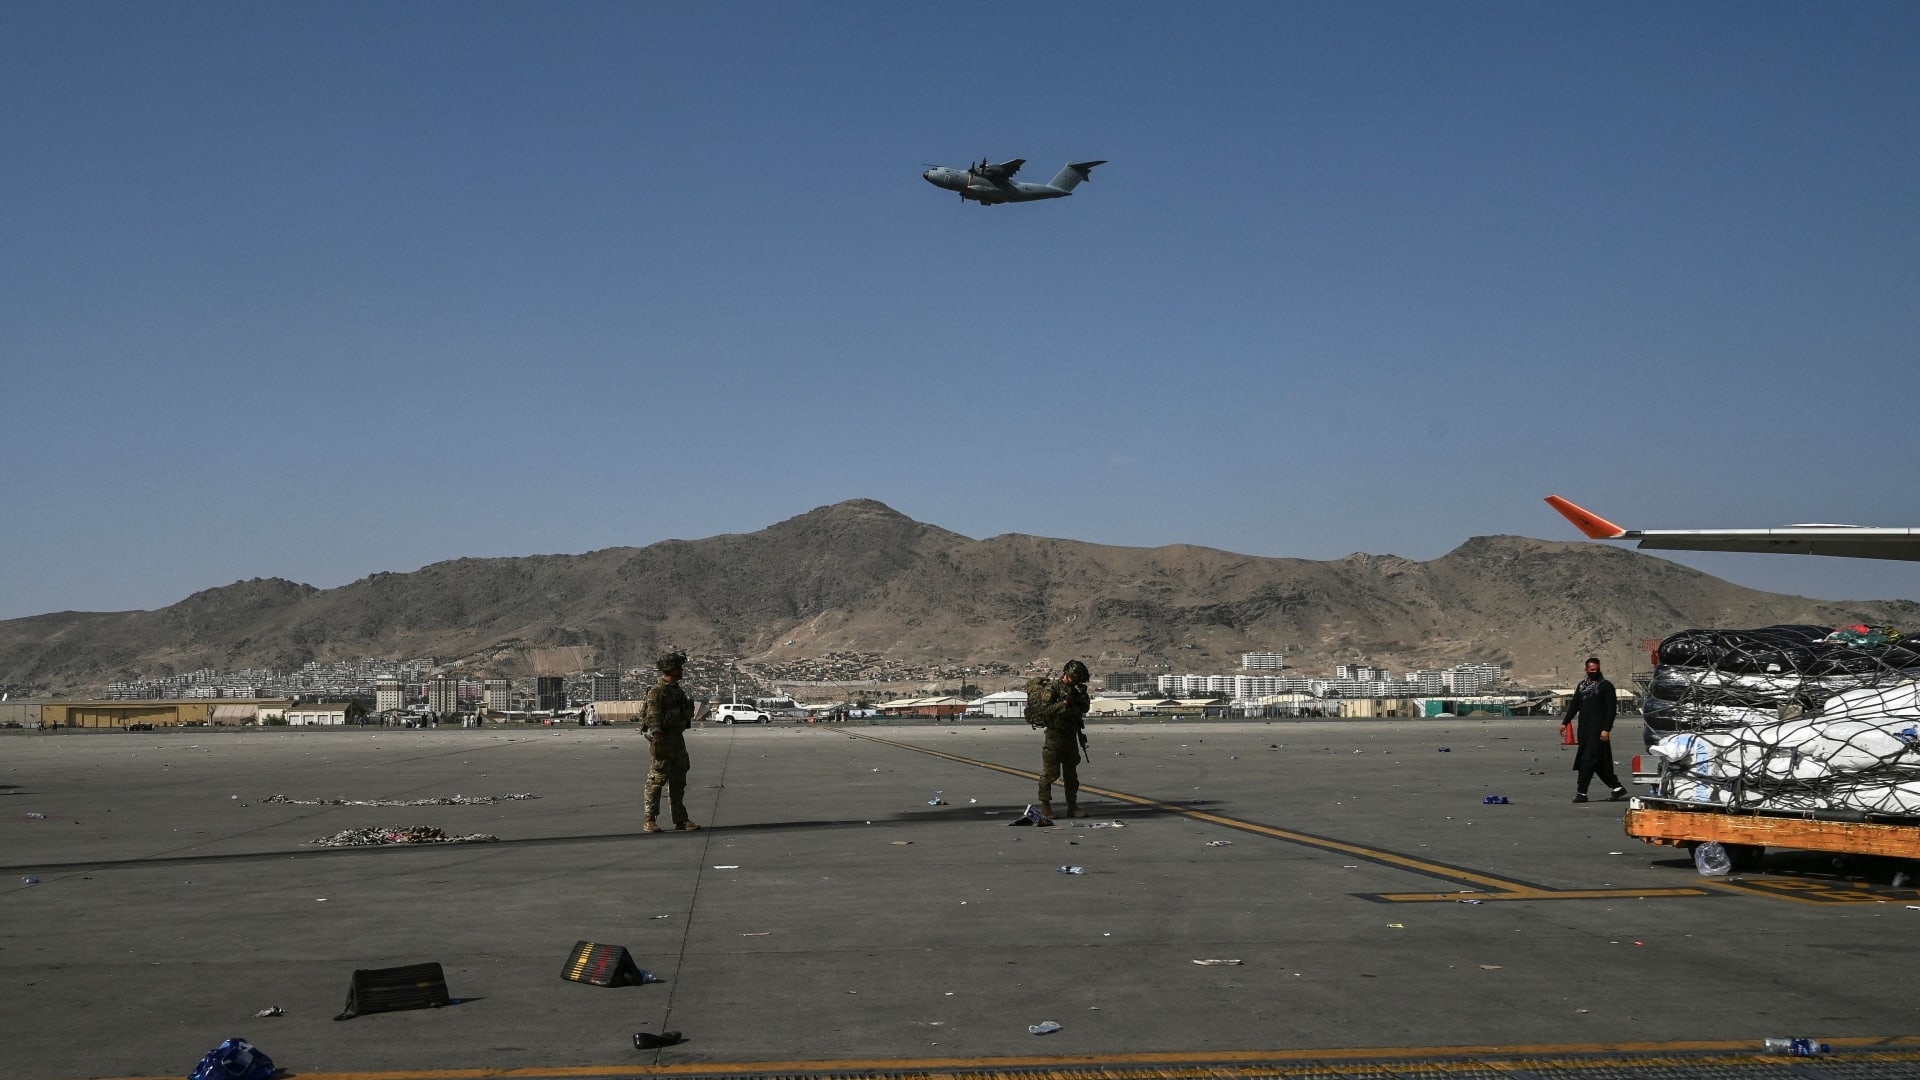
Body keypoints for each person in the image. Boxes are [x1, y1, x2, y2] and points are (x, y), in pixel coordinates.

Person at [642, 651, 699, 832]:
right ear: (670, 669)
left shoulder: (676, 690)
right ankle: (649, 819)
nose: (681, 670)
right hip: (664, 740)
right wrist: (657, 734)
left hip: (676, 739)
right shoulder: (657, 691)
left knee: (678, 780)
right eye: (678, 667)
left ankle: (680, 819)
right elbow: (652, 715)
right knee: (657, 779)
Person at [1030, 659, 1092, 818]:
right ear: (1067, 674)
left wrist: (1082, 696)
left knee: (1071, 774)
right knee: (1050, 773)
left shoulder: (1075, 690)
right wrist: (1064, 704)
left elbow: (1084, 708)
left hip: (1070, 735)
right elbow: (1045, 710)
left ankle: (1072, 806)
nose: (1075, 681)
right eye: (1074, 678)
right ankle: (1045, 806)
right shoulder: (1052, 689)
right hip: (1054, 736)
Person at [1562, 656, 1627, 803]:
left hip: (1598, 732)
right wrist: (1565, 722)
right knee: (1599, 762)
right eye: (1591, 670)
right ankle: (1617, 787)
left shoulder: (1606, 686)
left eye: (1597, 670)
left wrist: (1606, 729)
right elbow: (1574, 705)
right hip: (1584, 731)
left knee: (1587, 761)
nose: (1594, 672)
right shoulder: (1581, 686)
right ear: (1586, 670)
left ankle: (1581, 793)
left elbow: (1611, 710)